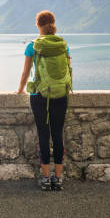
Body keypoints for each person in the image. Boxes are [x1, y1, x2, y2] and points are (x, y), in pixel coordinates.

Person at [17, 10, 71, 191]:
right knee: (57, 135)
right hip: (60, 94)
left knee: (43, 134)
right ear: (54, 23)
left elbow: (25, 73)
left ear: (37, 25)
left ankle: (46, 178)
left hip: (39, 95)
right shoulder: (63, 44)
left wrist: (19, 90)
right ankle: (58, 178)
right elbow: (68, 70)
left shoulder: (33, 46)